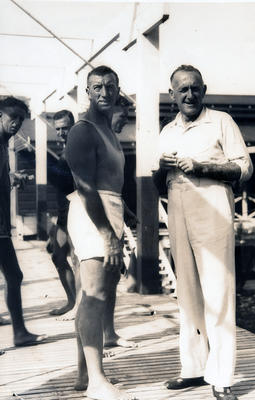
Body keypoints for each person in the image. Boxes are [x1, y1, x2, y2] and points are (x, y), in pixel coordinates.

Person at [153, 65, 253, 400]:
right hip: (178, 207)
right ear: (172, 95)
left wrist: (204, 167)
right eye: (182, 90)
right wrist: (161, 169)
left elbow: (244, 168)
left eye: (195, 88)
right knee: (188, 292)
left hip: (212, 206)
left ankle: (222, 376)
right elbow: (156, 183)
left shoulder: (221, 121)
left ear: (204, 89)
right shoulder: (167, 131)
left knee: (219, 292)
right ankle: (194, 368)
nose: (190, 95)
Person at [65, 65, 138, 400]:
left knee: (100, 294)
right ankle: (96, 382)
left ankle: (85, 374)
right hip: (91, 212)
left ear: (118, 89)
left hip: (112, 209)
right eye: (98, 87)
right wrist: (107, 233)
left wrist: (125, 219)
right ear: (88, 92)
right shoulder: (83, 130)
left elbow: (111, 181)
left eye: (111, 86)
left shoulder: (107, 129)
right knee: (93, 294)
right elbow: (85, 187)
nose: (105, 93)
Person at [0, 96, 47, 347]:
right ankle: (19, 333)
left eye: (20, 119)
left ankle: (20, 332)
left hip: (3, 226)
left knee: (14, 276)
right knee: (14, 275)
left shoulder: (4, 143)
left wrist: (10, 178)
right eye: (12, 118)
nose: (17, 123)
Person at [46, 110, 77, 319]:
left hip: (76, 211)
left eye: (65, 127)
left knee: (76, 259)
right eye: (57, 129)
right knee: (58, 256)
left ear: (73, 125)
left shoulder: (76, 149)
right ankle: (72, 301)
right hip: (63, 213)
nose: (61, 132)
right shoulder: (66, 149)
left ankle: (78, 305)